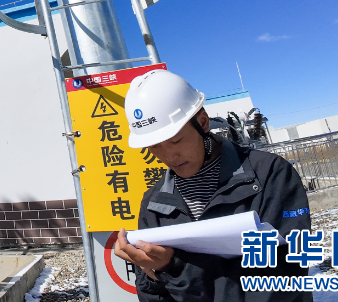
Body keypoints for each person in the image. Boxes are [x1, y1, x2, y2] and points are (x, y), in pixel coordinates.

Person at [114, 69, 312, 301]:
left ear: (203, 122)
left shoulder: (268, 174)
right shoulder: (154, 203)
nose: (169, 156)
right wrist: (156, 274)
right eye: (154, 146)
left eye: (176, 140)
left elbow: (286, 275)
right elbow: (150, 294)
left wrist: (175, 268)